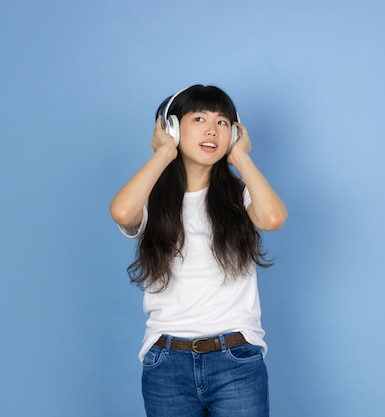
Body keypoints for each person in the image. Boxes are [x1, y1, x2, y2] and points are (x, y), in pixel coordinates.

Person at [110, 84, 287, 417]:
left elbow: (273, 218)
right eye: (200, 118)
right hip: (166, 362)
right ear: (173, 128)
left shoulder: (240, 194)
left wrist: (241, 157)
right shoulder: (153, 198)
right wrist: (164, 153)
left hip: (236, 358)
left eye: (223, 122)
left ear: (234, 133)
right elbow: (122, 211)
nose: (212, 129)